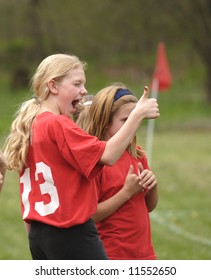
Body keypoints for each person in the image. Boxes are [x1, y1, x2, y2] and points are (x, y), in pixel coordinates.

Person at [3, 53, 159, 260]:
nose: (84, 90)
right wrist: (138, 114)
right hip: (70, 233)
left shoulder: (32, 125)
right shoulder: (57, 123)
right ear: (53, 86)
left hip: (39, 235)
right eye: (77, 84)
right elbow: (109, 155)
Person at [84, 83, 158, 260]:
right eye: (126, 120)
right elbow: (90, 215)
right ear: (104, 120)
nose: (133, 125)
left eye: (136, 118)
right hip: (113, 255)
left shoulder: (137, 153)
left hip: (144, 254)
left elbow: (149, 206)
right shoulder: (96, 160)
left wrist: (152, 185)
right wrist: (126, 192)